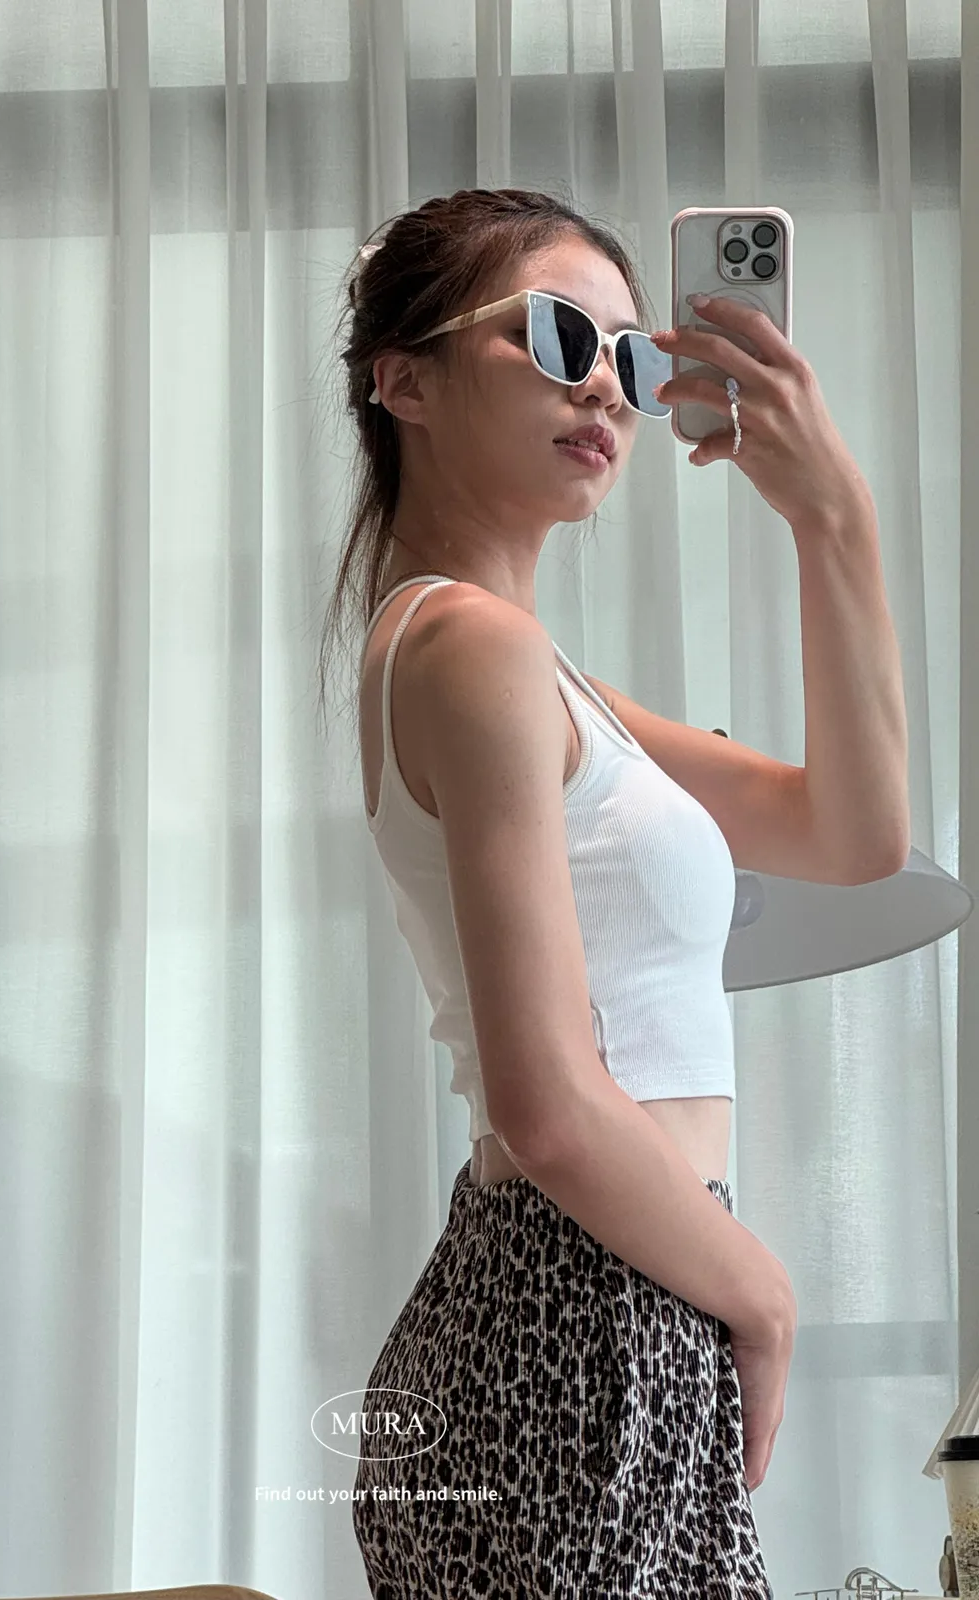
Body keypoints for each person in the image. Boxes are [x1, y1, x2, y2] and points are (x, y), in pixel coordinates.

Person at [325, 187, 805, 1598]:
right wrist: (763, 1294)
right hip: (584, 1316)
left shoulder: (517, 666)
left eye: (632, 359)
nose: (605, 385)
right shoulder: (472, 646)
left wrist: (827, 513)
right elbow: (545, 1102)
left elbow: (852, 830)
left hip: (557, 1306)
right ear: (405, 382)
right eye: (555, 336)